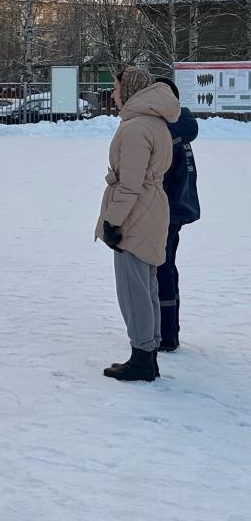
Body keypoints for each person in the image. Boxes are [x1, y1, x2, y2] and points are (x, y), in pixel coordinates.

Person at [97, 68, 180, 383]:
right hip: (152, 209)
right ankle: (148, 355)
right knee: (148, 285)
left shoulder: (135, 127)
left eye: (116, 87)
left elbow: (130, 185)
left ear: (129, 88)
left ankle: (142, 357)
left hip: (136, 213)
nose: (113, 93)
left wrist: (112, 221)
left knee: (134, 289)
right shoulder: (156, 122)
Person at [152, 77, 201, 353]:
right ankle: (170, 330)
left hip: (167, 210)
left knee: (162, 270)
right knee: (167, 268)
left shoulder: (168, 129)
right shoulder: (181, 125)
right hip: (179, 208)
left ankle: (167, 334)